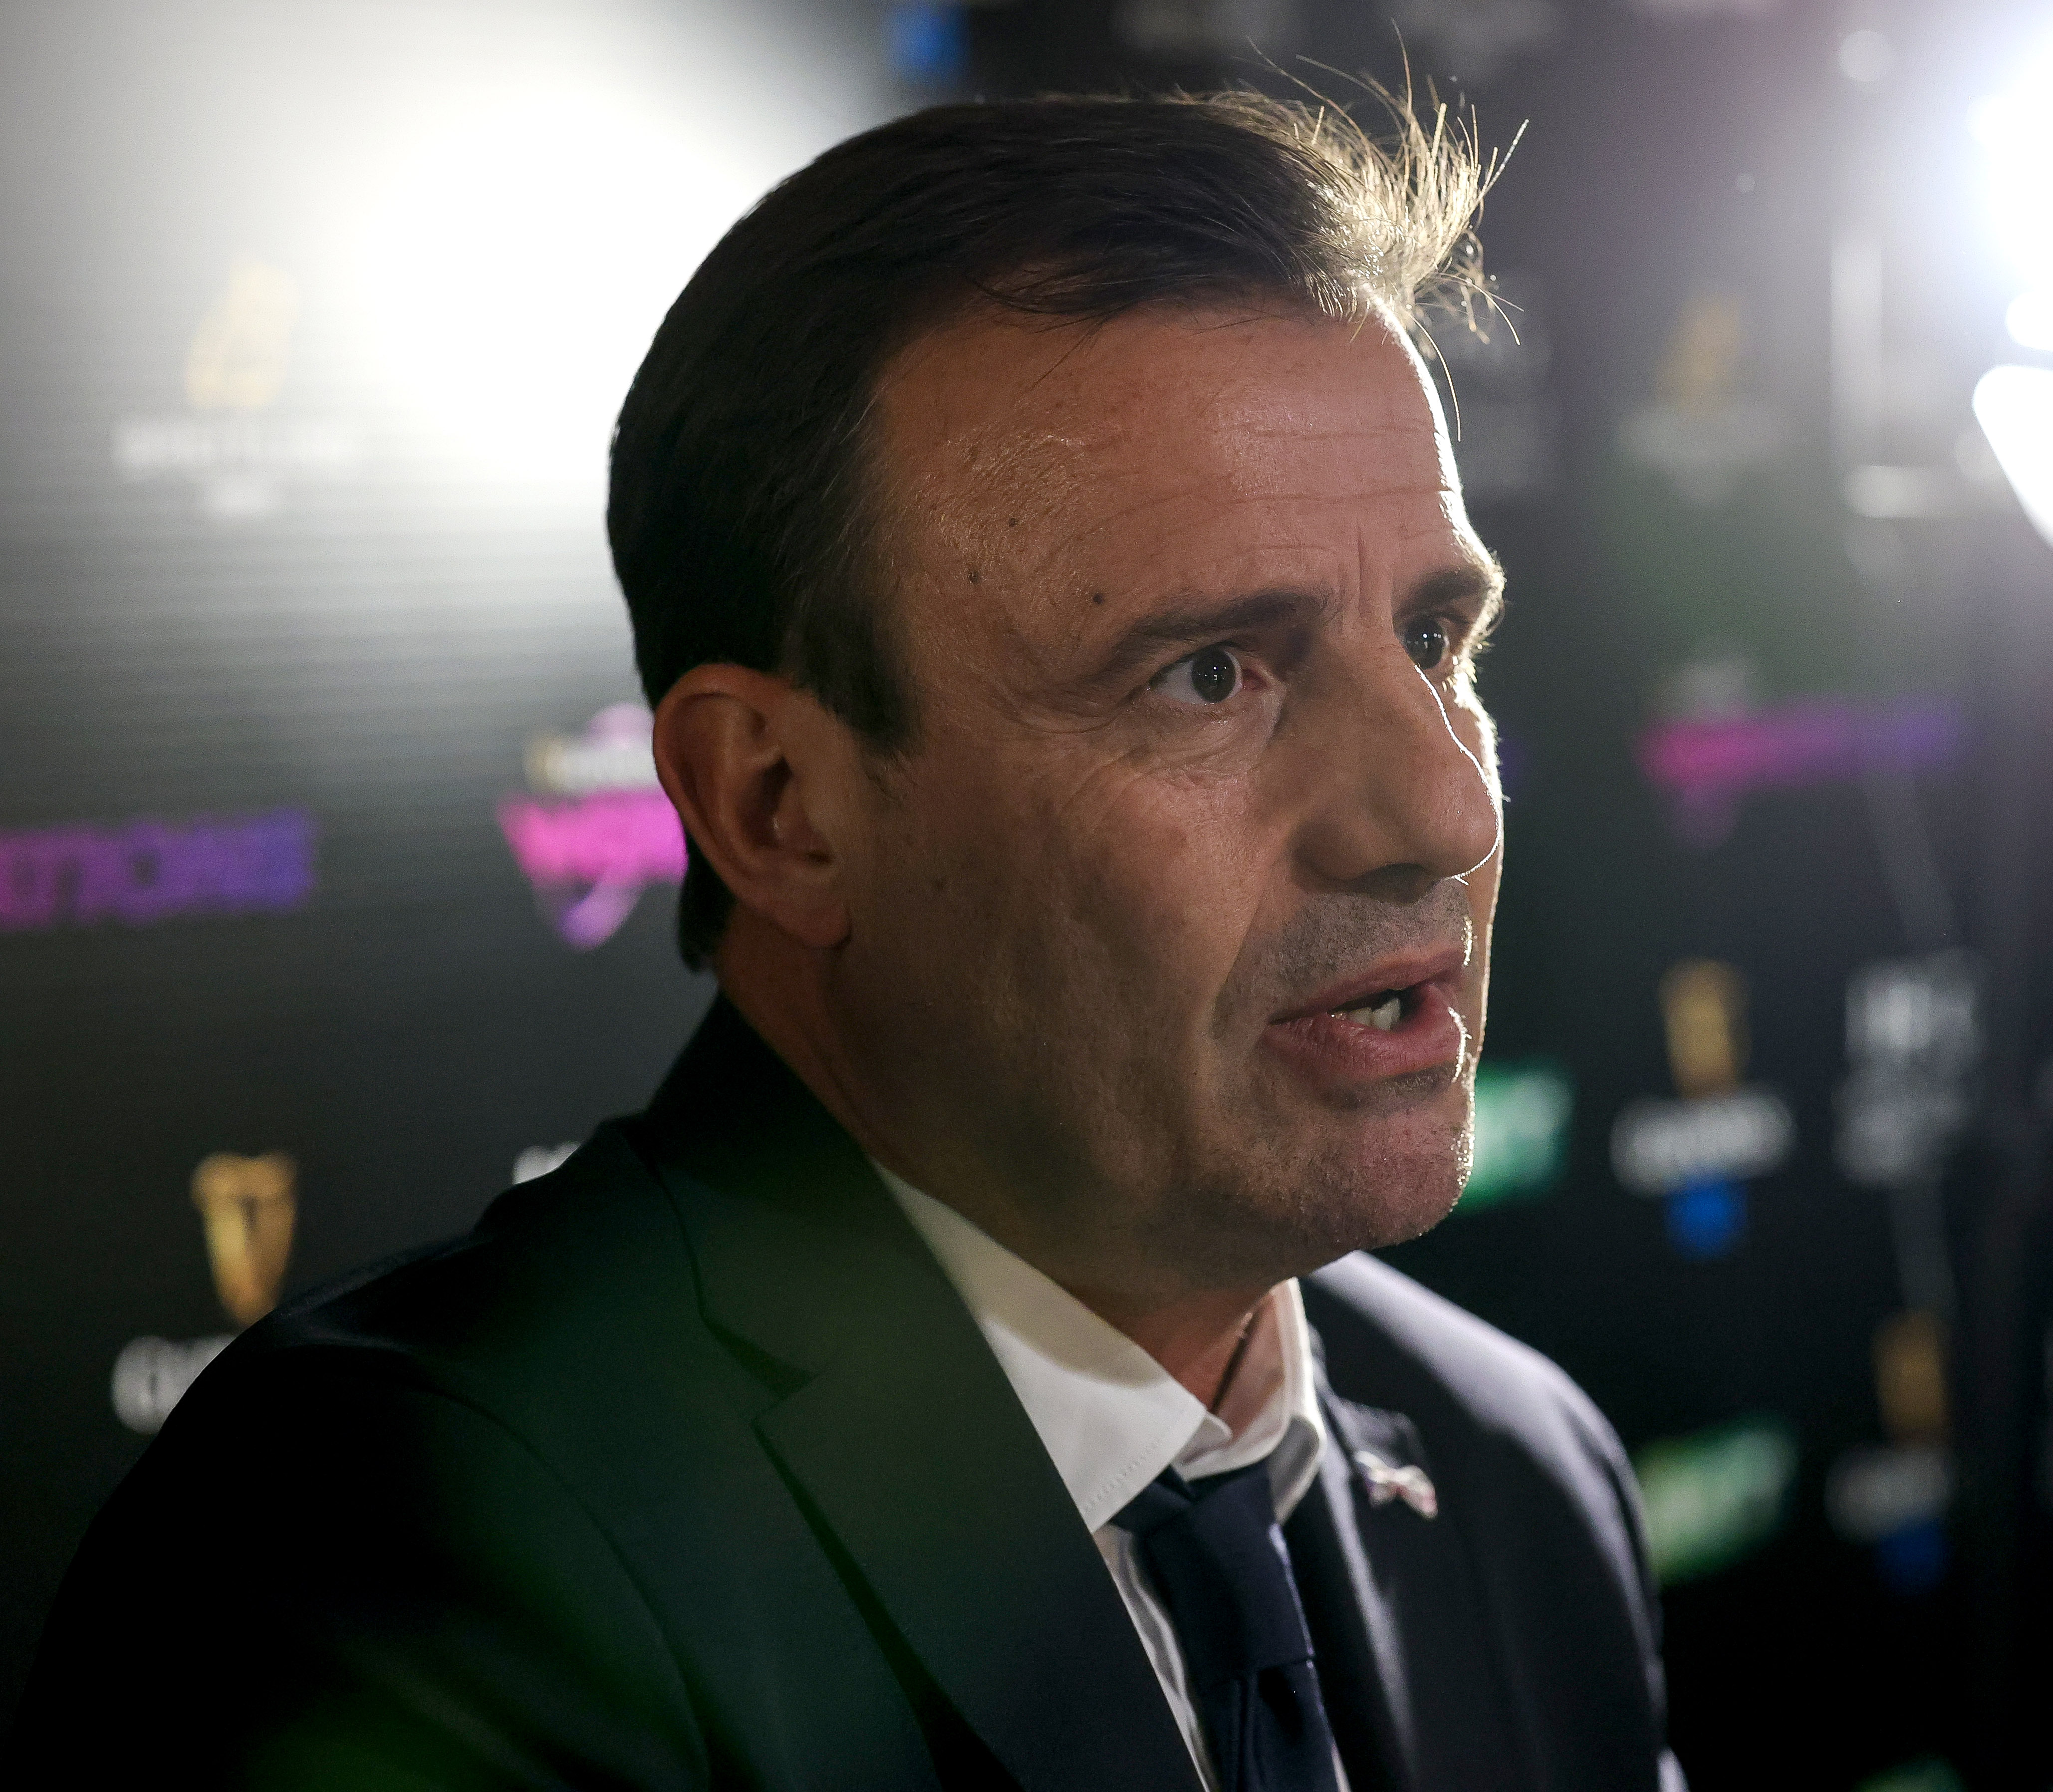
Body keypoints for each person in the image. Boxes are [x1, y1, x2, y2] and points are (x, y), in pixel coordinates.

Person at [9, 92, 1681, 1790]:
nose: (1440, 814)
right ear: (780, 805)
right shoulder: (396, 1565)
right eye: (1210, 673)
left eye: (1433, 636)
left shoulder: (1515, 1470)